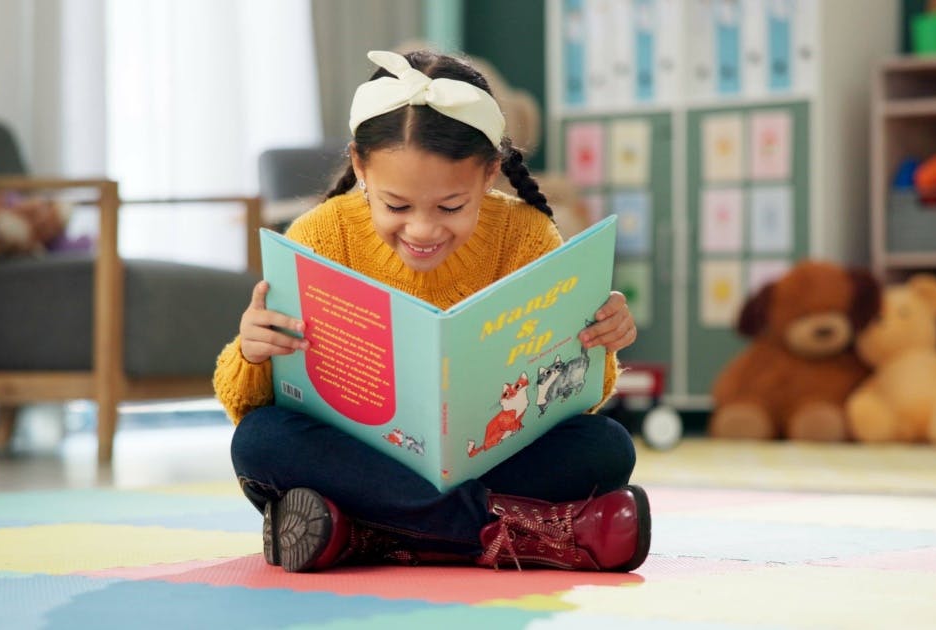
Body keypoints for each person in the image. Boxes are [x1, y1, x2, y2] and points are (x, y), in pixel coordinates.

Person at [215, 49, 649, 573]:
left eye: (450, 207)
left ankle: (369, 535)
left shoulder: (526, 235)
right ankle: (521, 534)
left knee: (605, 448)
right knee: (261, 442)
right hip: (361, 458)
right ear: (360, 166)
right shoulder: (318, 237)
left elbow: (576, 400)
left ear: (489, 173)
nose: (422, 230)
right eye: (396, 206)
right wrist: (253, 351)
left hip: (484, 457)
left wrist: (599, 340)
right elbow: (250, 402)